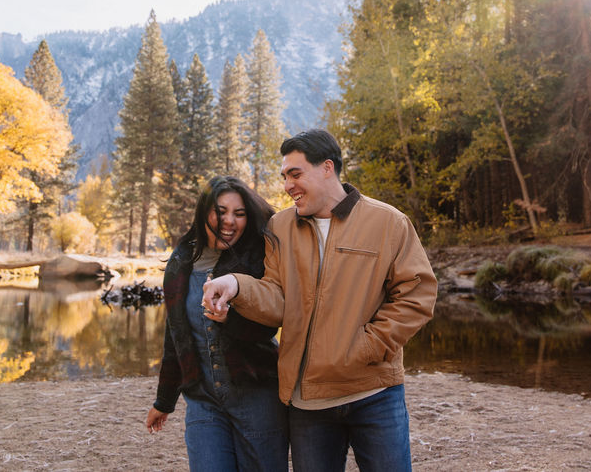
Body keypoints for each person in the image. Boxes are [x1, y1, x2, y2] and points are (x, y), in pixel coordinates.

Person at [202, 129, 437, 471]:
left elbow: (417, 293)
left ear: (327, 168)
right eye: (284, 176)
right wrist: (237, 286)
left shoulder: (389, 222)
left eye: (295, 174)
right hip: (307, 404)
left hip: (374, 393)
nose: (287, 185)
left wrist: (368, 347)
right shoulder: (280, 227)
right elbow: (277, 298)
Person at [145, 175, 289, 471]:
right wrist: (164, 400)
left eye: (239, 214)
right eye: (221, 211)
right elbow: (176, 336)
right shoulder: (181, 260)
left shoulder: (257, 256)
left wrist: (230, 320)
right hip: (203, 399)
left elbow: (269, 326)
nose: (230, 221)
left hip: (257, 394)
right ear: (204, 212)